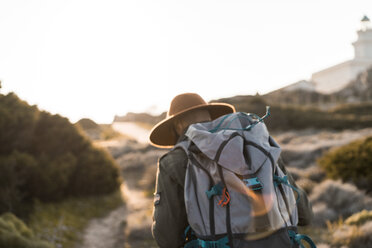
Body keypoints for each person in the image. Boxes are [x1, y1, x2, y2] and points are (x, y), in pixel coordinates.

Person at [149, 93, 313, 248]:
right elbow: (305, 214)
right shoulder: (259, 146)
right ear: (211, 118)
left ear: (177, 125)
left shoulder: (174, 161)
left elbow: (167, 237)